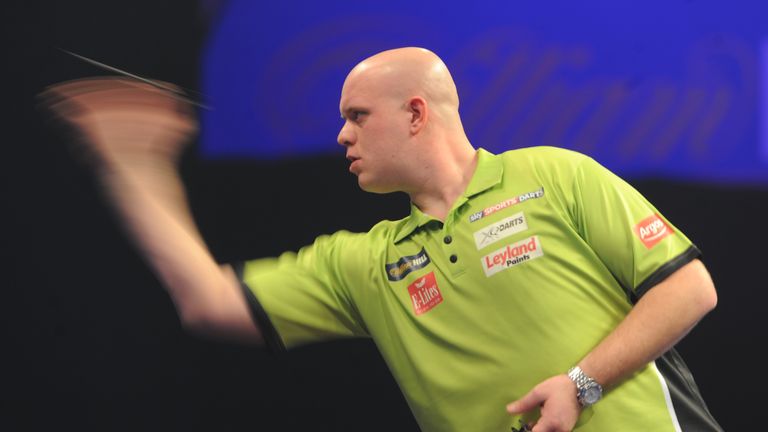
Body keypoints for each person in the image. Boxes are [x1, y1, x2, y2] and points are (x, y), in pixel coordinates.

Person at [41, 47, 722, 432]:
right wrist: (135, 166)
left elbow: (690, 289)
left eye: (358, 116)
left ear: (416, 113)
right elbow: (209, 301)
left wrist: (581, 384)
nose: (342, 135)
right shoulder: (366, 262)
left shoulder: (553, 174)